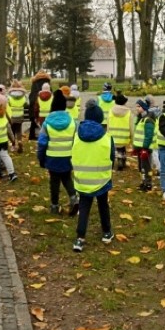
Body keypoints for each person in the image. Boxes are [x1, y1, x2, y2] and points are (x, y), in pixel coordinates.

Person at [71, 99, 115, 252]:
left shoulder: (76, 136)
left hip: (82, 179)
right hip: (102, 179)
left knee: (84, 208)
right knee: (103, 205)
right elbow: (112, 157)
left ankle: (80, 239)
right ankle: (106, 232)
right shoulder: (107, 138)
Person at [37, 88, 79, 215]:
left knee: (54, 181)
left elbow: (42, 142)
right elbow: (76, 139)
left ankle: (54, 205)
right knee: (67, 178)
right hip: (68, 156)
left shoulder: (47, 123)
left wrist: (41, 158)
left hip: (52, 157)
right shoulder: (72, 122)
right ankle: (73, 198)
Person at [133, 100, 158, 192]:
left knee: (146, 167)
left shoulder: (148, 120)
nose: (137, 108)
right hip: (140, 148)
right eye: (137, 106)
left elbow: (148, 135)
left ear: (144, 108)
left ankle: (148, 183)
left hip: (145, 148)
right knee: (142, 167)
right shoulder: (141, 118)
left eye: (139, 106)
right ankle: (144, 182)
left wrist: (145, 148)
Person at [107, 93, 133, 171]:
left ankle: (117, 161)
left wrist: (108, 135)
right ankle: (122, 161)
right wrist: (132, 138)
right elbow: (131, 126)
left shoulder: (111, 111)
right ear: (124, 102)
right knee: (122, 149)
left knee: (115, 150)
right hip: (124, 137)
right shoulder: (128, 112)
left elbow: (108, 124)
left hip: (113, 136)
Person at [27, 69, 51, 142]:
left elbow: (32, 94)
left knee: (33, 120)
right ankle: (47, 136)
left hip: (35, 103)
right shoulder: (47, 81)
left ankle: (31, 135)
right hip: (46, 107)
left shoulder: (35, 82)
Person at [7, 79, 28, 154]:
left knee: (12, 131)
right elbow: (26, 103)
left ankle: (13, 145)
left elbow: (7, 104)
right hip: (20, 116)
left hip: (12, 116)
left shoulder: (9, 96)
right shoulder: (23, 96)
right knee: (19, 130)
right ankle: (19, 141)